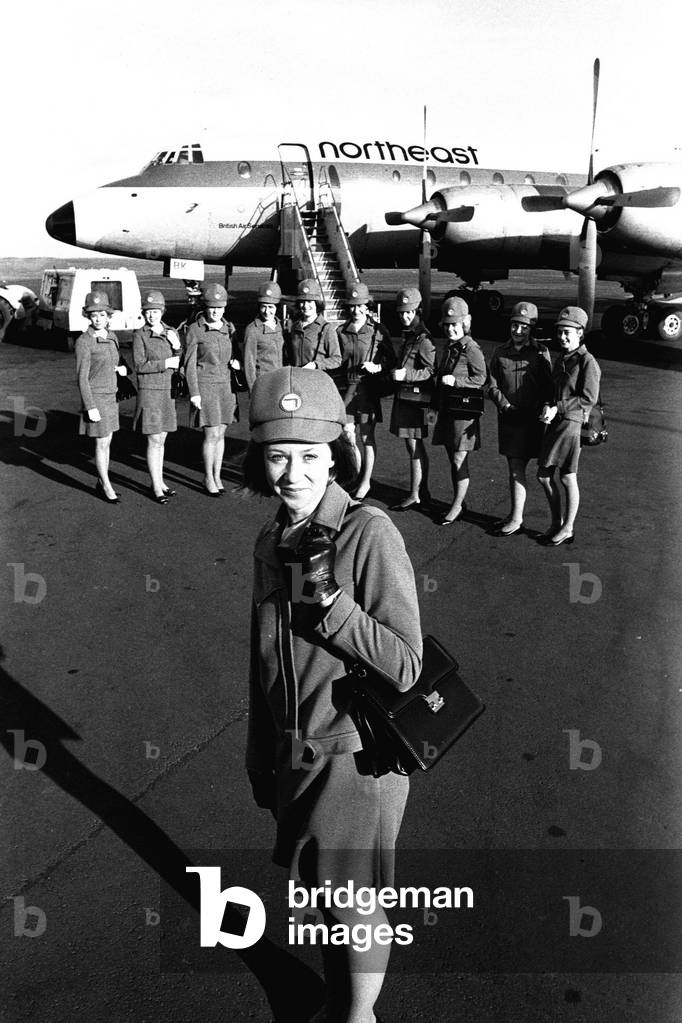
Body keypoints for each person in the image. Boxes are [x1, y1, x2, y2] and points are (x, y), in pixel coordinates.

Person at [243, 366, 422, 1023]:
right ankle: (344, 998)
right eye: (279, 455)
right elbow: (260, 657)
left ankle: (357, 1015)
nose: (295, 473)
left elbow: (406, 664)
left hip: (355, 758)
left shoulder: (368, 532)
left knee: (353, 901)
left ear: (335, 455)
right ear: (260, 459)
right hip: (296, 753)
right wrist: (259, 749)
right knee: (328, 895)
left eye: (311, 456)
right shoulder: (271, 539)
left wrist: (333, 607)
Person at [536, 305, 602, 546]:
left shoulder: (587, 362)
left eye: (568, 332)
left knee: (563, 476)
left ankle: (566, 527)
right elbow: (552, 391)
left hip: (572, 424)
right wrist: (547, 405)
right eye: (560, 332)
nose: (562, 337)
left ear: (580, 333)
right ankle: (559, 524)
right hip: (556, 422)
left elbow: (588, 398)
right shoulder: (562, 358)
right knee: (550, 476)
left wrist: (558, 408)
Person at [487, 301, 553, 535]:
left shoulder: (540, 353)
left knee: (544, 473)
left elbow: (549, 387)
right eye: (515, 325)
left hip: (533, 421)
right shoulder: (500, 352)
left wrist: (545, 406)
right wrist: (504, 404)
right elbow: (491, 384)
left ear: (531, 328)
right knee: (515, 468)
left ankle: (559, 523)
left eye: (524, 326)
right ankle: (515, 517)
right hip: (510, 418)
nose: (518, 331)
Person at [336, 282, 396, 499]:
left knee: (366, 437)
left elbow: (392, 361)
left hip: (367, 388)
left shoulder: (377, 332)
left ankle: (365, 482)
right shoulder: (341, 331)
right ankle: (355, 476)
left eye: (360, 305)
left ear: (367, 306)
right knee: (347, 436)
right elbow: (337, 361)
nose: (356, 310)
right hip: (347, 389)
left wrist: (378, 367)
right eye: (352, 306)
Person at [431, 297, 488, 526]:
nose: (451, 328)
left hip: (463, 412)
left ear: (464, 323)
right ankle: (459, 501)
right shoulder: (449, 347)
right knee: (451, 456)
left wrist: (456, 380)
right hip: (448, 409)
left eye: (455, 324)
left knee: (458, 458)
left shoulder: (471, 348)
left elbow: (481, 378)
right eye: (447, 324)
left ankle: (457, 506)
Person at [184, 282, 242, 496]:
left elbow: (235, 352)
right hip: (206, 386)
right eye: (211, 308)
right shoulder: (195, 330)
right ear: (205, 308)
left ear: (224, 308)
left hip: (226, 386)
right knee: (210, 434)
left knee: (221, 433)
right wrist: (194, 392)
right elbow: (189, 364)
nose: (215, 311)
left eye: (219, 308)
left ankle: (217, 475)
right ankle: (208, 477)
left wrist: (236, 363)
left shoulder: (229, 328)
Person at [74, 290, 128, 504]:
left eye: (102, 315)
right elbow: (82, 378)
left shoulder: (111, 336)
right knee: (102, 442)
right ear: (88, 316)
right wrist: (90, 406)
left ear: (108, 316)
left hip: (111, 396)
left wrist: (120, 369)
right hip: (96, 398)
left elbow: (111, 361)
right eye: (94, 315)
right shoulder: (84, 342)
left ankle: (102, 479)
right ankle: (105, 485)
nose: (98, 319)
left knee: (108, 442)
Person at [132, 289, 182, 505]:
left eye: (155, 311)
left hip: (167, 392)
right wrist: (165, 364)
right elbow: (139, 366)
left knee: (162, 439)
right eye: (148, 311)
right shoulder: (140, 335)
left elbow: (180, 360)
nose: (151, 315)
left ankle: (161, 482)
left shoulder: (171, 331)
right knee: (154, 439)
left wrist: (177, 346)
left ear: (162, 311)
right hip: (151, 394)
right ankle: (155, 486)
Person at [388, 286, 435, 511]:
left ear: (419, 311)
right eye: (402, 312)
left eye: (409, 312)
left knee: (415, 446)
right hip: (406, 398)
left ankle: (416, 493)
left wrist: (406, 374)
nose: (405, 316)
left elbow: (430, 371)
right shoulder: (411, 336)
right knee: (412, 445)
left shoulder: (424, 340)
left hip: (414, 400)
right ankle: (421, 491)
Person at [286, 279, 341, 371]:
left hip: (316, 380)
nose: (305, 305)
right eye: (302, 301)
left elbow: (336, 359)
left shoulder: (326, 328)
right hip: (297, 378)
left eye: (310, 301)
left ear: (316, 303)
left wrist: (316, 365)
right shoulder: (295, 327)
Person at [242, 281, 286, 390]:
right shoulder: (252, 330)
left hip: (281, 381)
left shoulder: (280, 326)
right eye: (263, 307)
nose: (267, 311)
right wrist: (253, 390)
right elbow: (249, 364)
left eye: (271, 307)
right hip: (263, 384)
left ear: (277, 307)